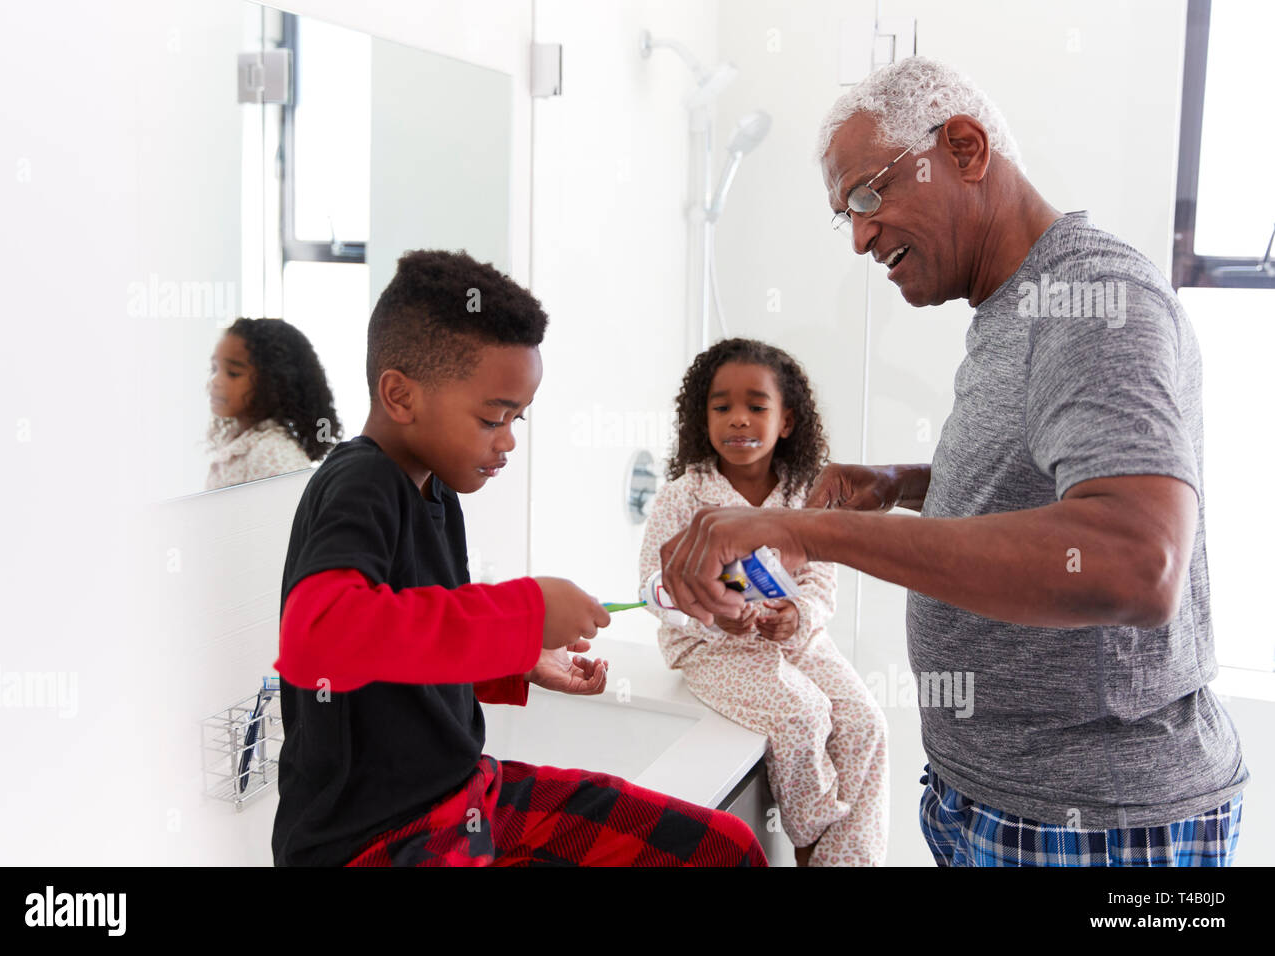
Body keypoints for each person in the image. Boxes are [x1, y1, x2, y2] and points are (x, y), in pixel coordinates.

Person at [659, 57, 1246, 866]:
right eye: (847, 215)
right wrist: (900, 484)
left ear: (964, 148)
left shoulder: (1095, 301)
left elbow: (1134, 561)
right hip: (993, 800)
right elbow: (1049, 490)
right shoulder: (1015, 306)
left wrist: (805, 531)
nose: (860, 236)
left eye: (869, 195)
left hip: (1095, 824)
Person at [271, 249, 767, 867]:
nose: (507, 440)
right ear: (400, 395)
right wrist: (524, 611)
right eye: (492, 417)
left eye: (517, 418)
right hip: (380, 842)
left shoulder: (436, 490)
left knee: (723, 850)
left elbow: (403, 646)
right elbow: (320, 638)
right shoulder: (361, 484)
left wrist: (518, 657)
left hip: (469, 794)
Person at [640, 338, 888, 866]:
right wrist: (717, 622)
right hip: (713, 651)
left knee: (865, 721)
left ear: (787, 421)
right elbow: (654, 589)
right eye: (722, 406)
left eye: (756, 406)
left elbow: (821, 581)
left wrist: (797, 616)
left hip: (799, 643)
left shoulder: (805, 497)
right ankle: (814, 843)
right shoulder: (684, 496)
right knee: (803, 713)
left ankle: (849, 861)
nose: (738, 419)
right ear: (700, 418)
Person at [204, 317, 341, 490]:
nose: (215, 381)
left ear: (273, 383)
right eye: (214, 368)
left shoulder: (273, 453)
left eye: (233, 373)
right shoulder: (237, 442)